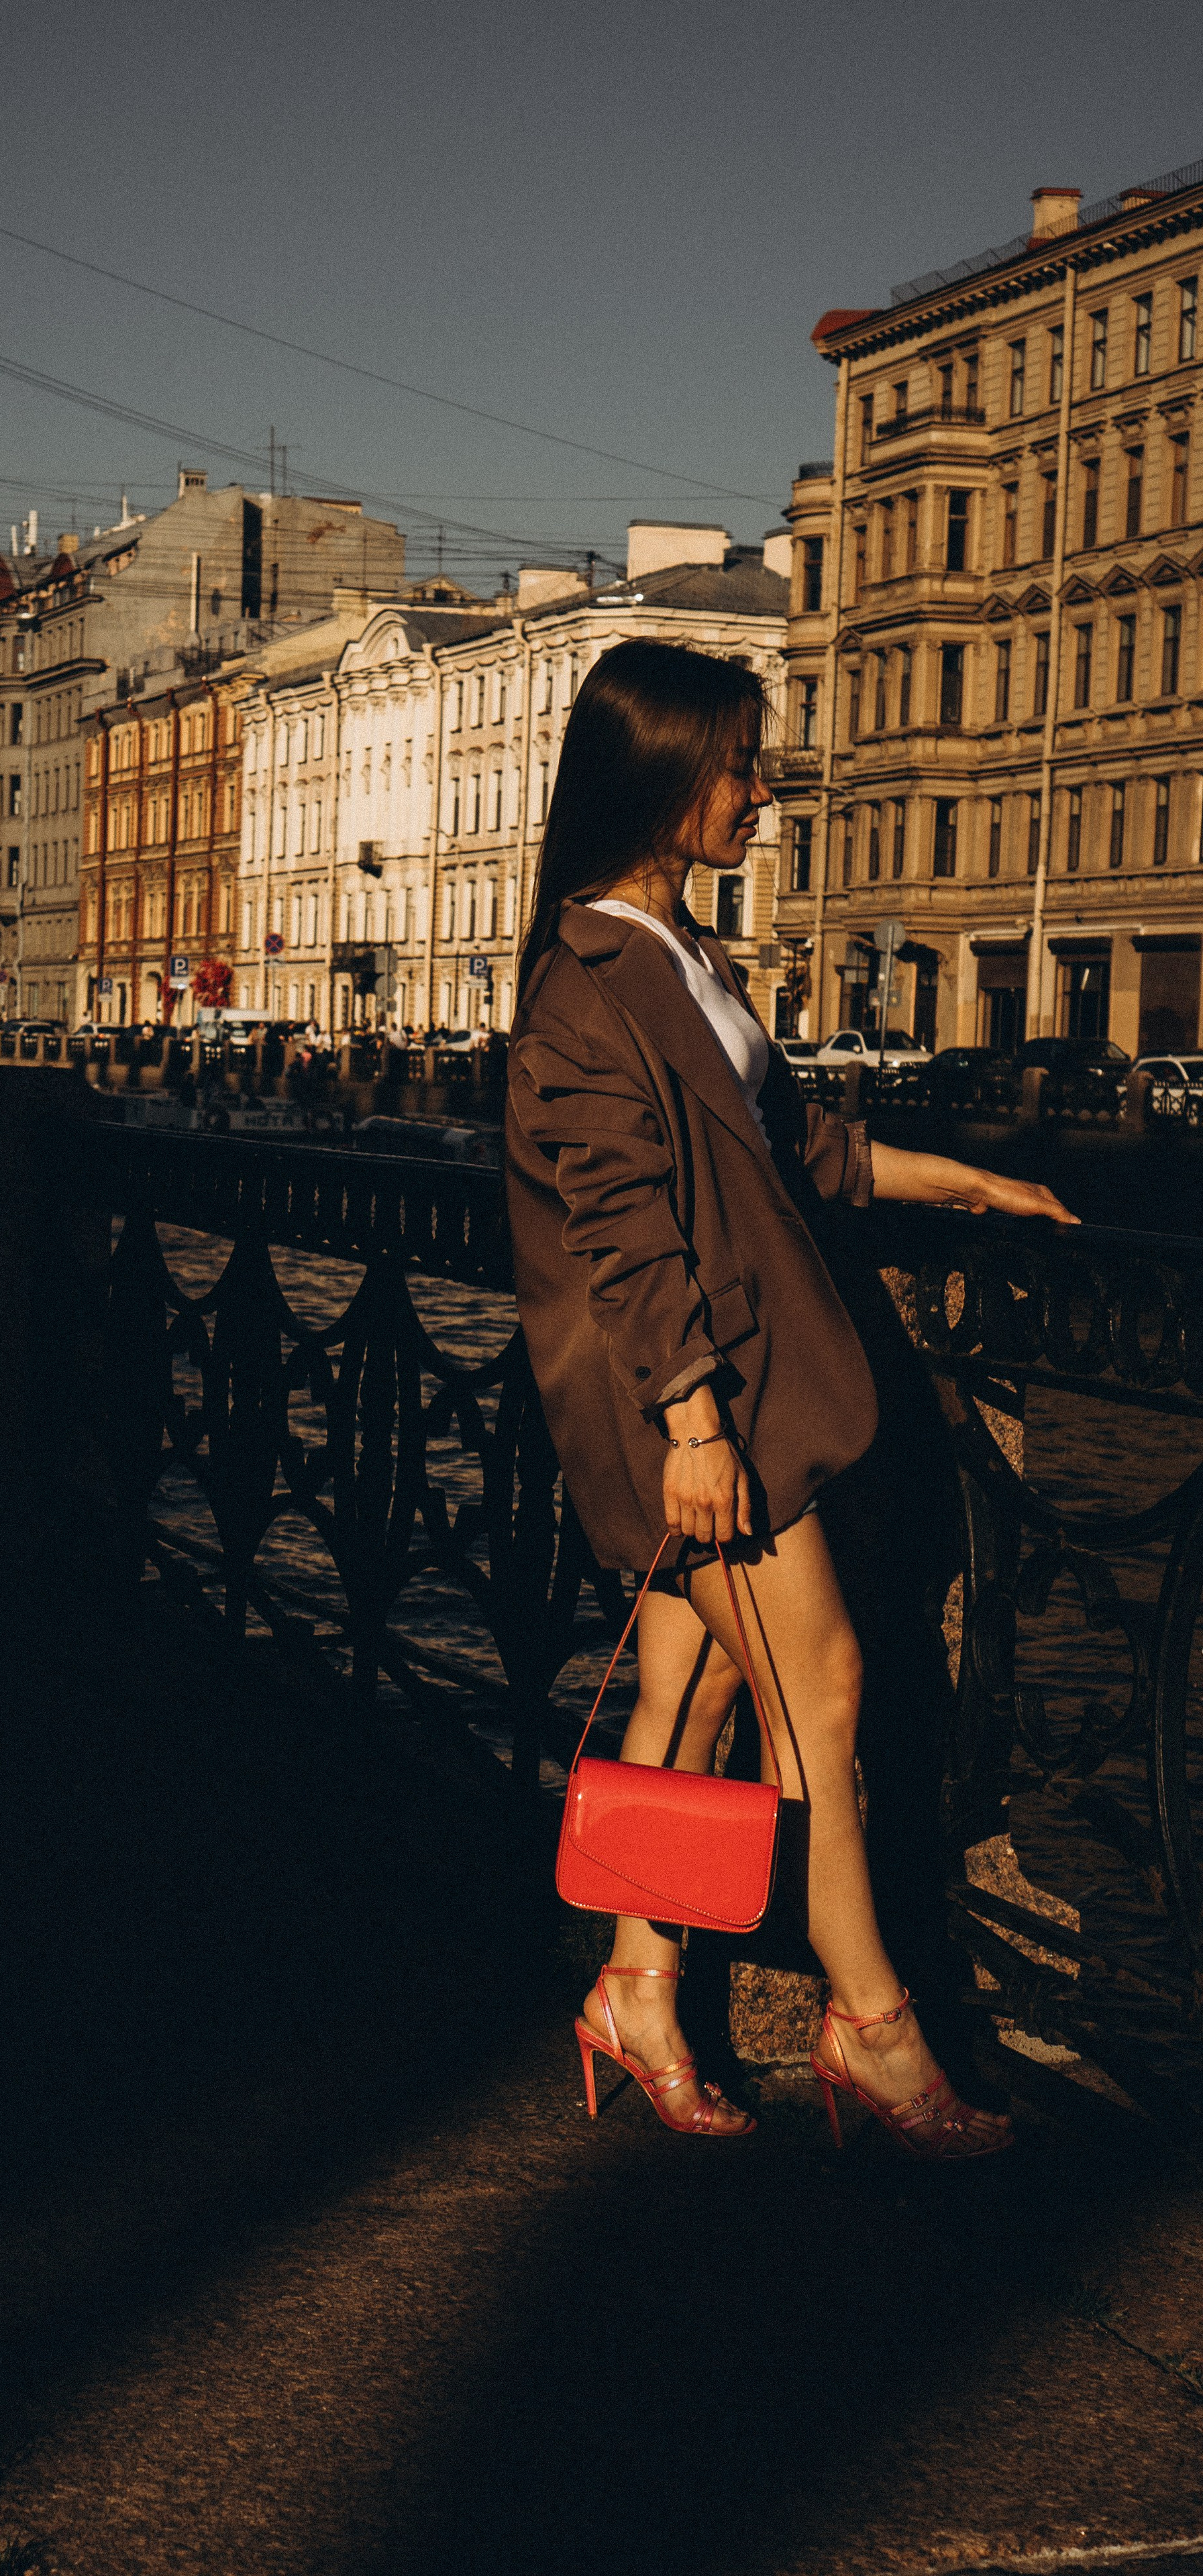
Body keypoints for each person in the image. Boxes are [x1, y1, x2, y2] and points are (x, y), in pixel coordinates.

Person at [507, 640, 1074, 2157]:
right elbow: (619, 1218)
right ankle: (872, 2031)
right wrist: (691, 1427)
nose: (763, 789)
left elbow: (793, 1156)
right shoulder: (587, 977)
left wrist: (965, 1180)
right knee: (818, 1696)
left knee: (682, 1697)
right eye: (737, 765)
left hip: (733, 1389)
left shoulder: (682, 957)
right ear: (656, 773)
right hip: (703, 1408)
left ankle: (635, 1984)